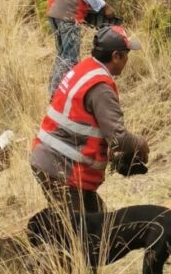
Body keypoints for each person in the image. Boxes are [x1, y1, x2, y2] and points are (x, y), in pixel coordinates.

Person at [30, 25, 150, 216]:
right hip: (61, 170)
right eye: (126, 55)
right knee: (82, 230)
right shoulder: (101, 88)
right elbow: (118, 138)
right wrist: (141, 145)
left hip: (51, 161)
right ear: (116, 56)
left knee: (101, 222)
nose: (127, 60)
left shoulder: (85, 69)